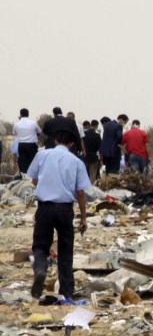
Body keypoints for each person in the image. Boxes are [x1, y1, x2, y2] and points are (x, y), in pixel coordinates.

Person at [27, 128, 90, 302]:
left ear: (55, 141)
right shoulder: (77, 162)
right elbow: (81, 193)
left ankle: (40, 269)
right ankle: (66, 292)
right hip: (65, 209)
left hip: (45, 207)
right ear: (72, 144)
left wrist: (46, 184)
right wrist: (83, 217)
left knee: (40, 245)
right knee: (65, 249)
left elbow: (33, 180)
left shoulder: (42, 155)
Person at [13, 108, 42, 175]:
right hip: (32, 145)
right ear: (28, 114)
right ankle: (32, 176)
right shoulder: (33, 123)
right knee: (33, 161)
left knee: (22, 161)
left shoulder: (16, 124)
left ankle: (24, 176)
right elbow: (39, 132)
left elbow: (14, 133)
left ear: (20, 114)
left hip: (21, 145)